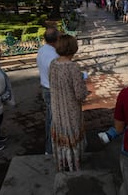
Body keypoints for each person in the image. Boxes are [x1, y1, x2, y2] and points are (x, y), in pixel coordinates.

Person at [49, 34, 89, 171]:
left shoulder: (53, 64)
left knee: (61, 133)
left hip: (57, 107)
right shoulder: (73, 67)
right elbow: (80, 94)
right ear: (72, 48)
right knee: (72, 133)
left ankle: (63, 162)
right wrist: (85, 87)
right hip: (70, 109)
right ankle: (74, 164)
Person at [36, 27, 60, 155]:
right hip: (52, 89)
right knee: (53, 121)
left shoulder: (42, 50)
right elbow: (57, 76)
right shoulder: (54, 56)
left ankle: (50, 147)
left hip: (46, 87)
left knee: (50, 118)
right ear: (56, 39)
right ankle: (50, 149)